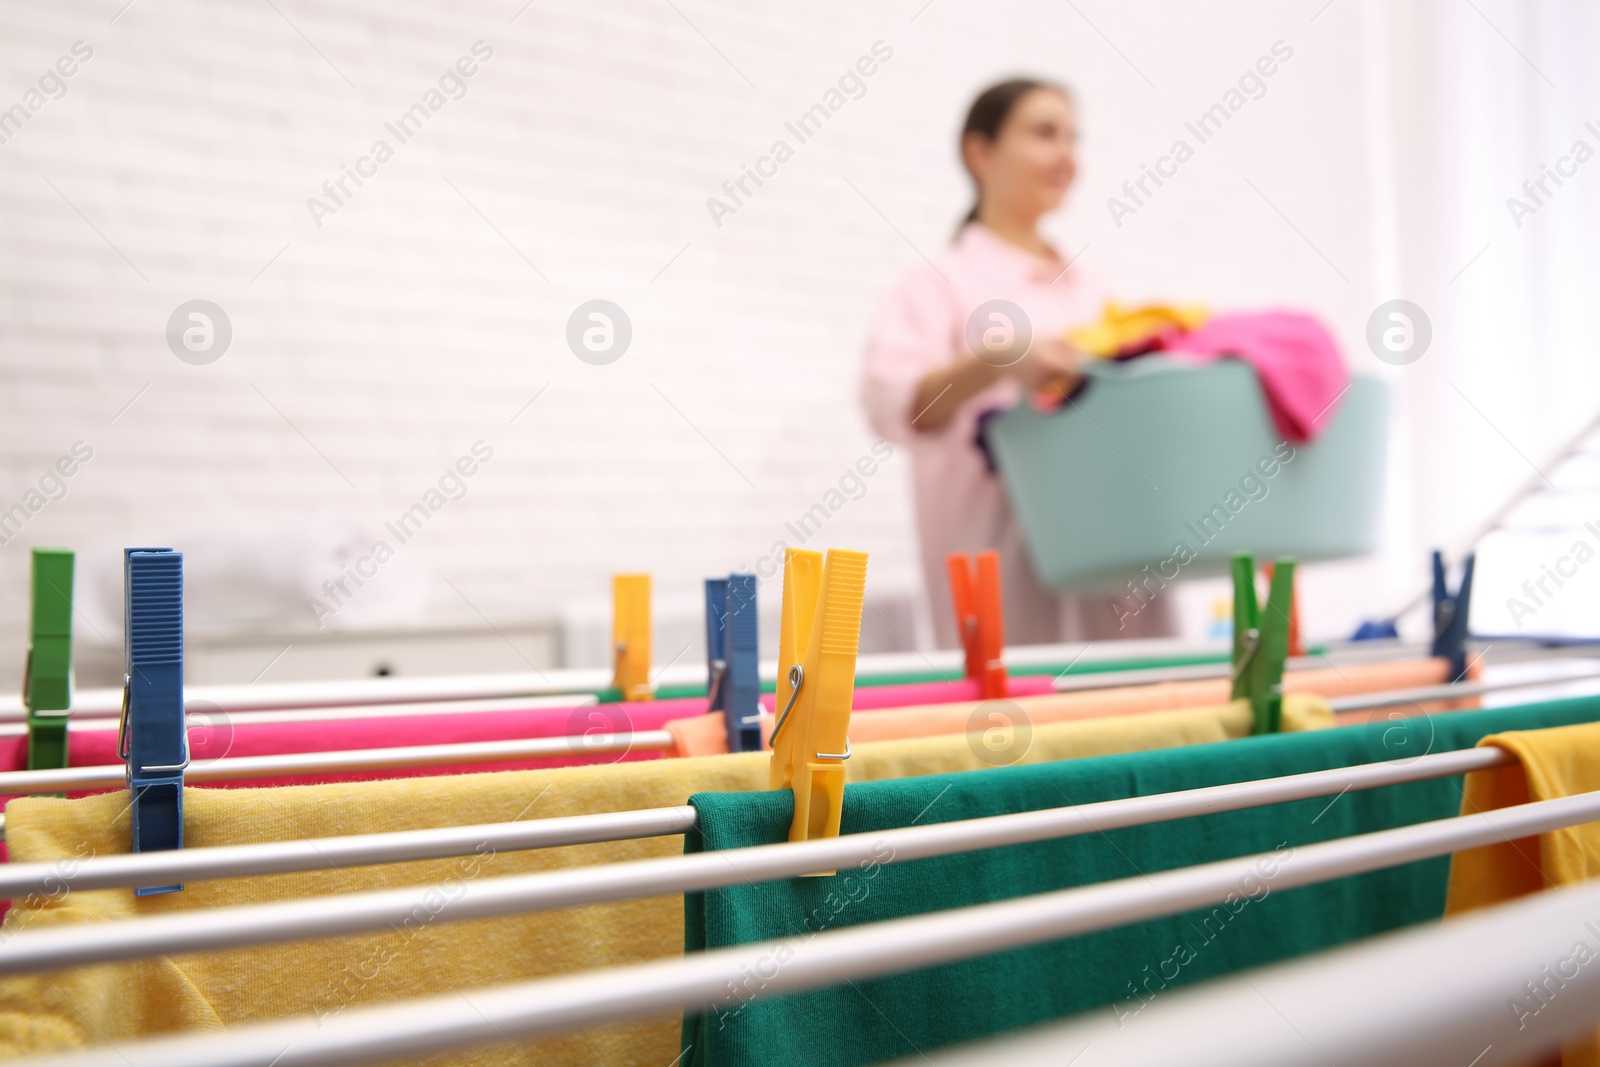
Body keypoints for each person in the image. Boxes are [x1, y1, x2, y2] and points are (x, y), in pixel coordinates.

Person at [861, 78, 1176, 648]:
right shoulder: (937, 283)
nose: (1066, 155)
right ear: (980, 153)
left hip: (1119, 588)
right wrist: (1000, 359)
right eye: (1043, 133)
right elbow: (901, 406)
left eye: (1074, 138)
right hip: (1004, 597)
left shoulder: (1092, 289)